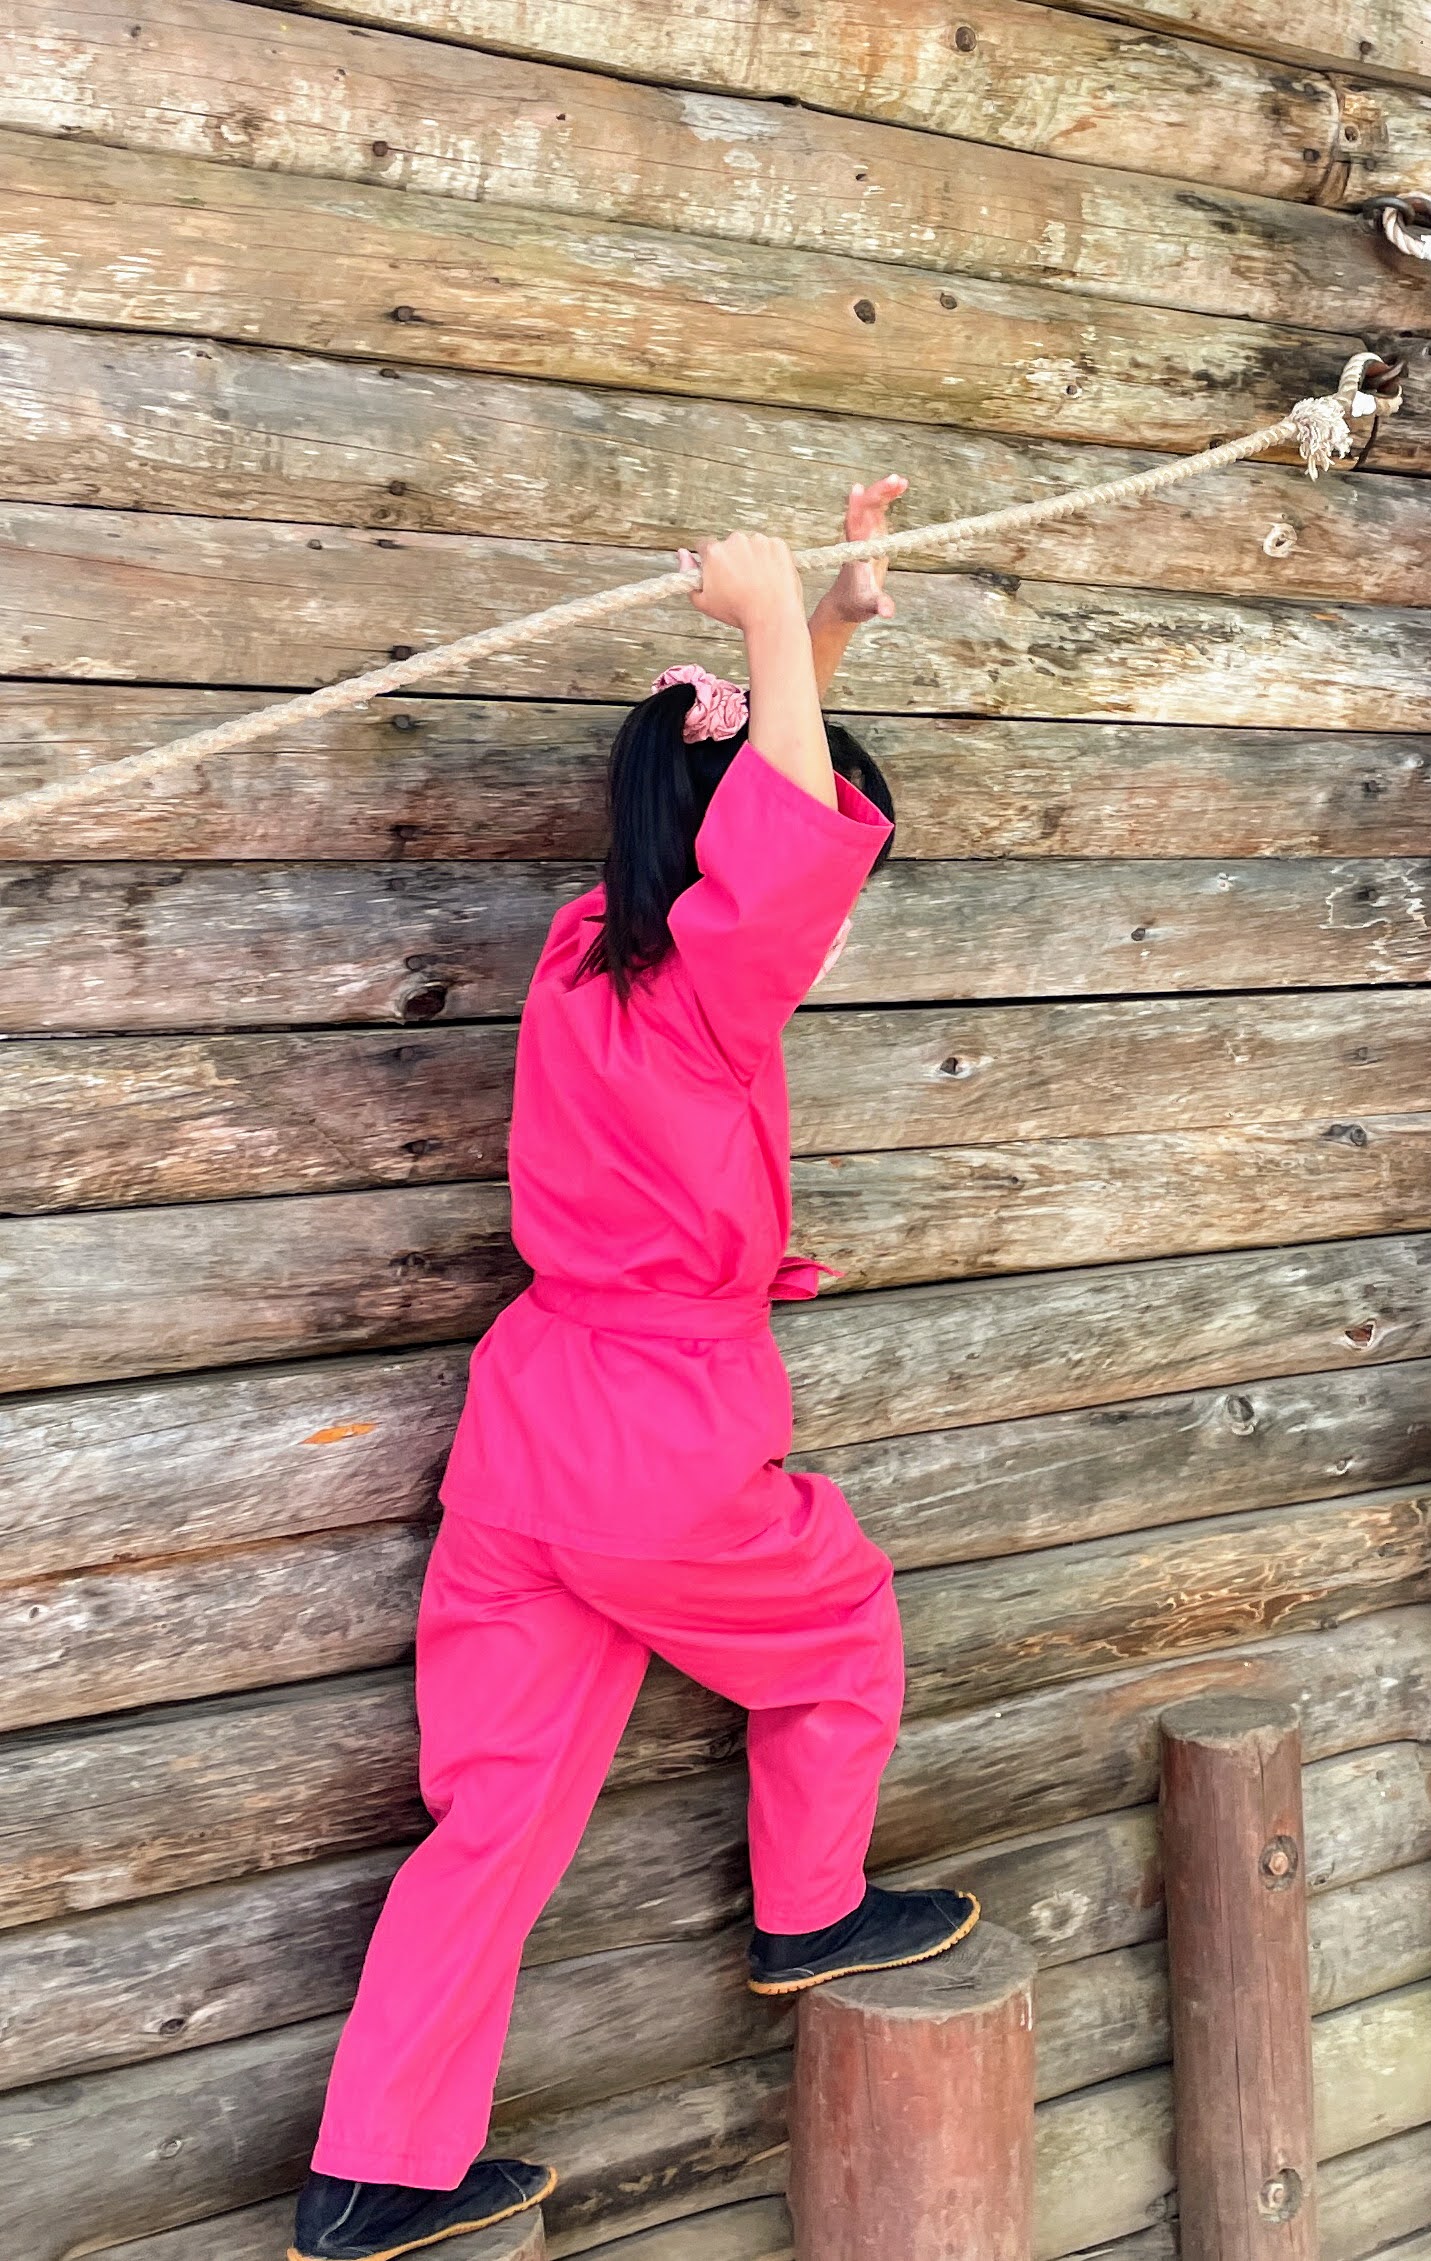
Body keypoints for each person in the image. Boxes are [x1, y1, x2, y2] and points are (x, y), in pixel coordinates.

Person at [289, 478, 978, 2261]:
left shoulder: (589, 949)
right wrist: (771, 630)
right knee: (839, 1630)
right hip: (658, 1432)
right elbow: (782, 853)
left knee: (495, 1810)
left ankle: (377, 2167)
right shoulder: (710, 991)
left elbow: (749, 828)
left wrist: (822, 631)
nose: (834, 916)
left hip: (527, 1429)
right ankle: (808, 1911)